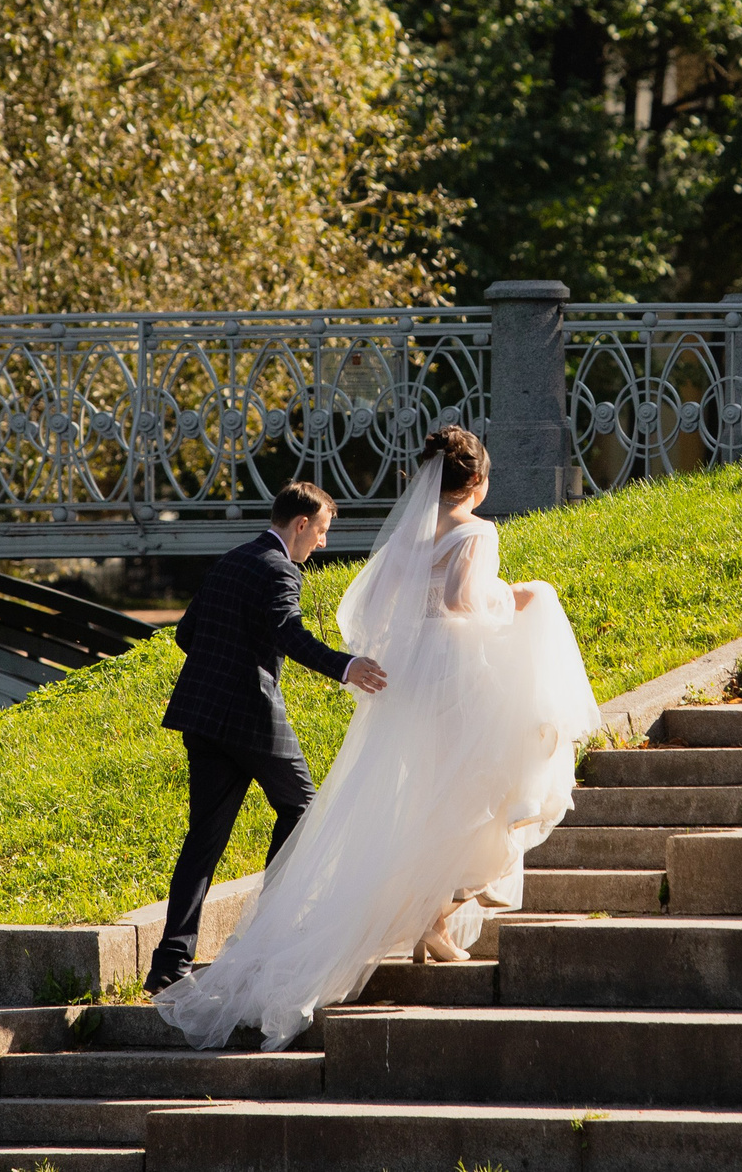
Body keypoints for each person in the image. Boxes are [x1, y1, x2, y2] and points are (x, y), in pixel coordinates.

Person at [153, 426, 602, 1050]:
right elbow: (459, 602)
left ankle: (429, 919)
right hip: (453, 677)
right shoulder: (478, 531)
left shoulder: (398, 541)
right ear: (475, 482)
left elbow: (367, 612)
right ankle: (433, 909)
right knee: (486, 786)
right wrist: (519, 598)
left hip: (401, 684)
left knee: (414, 795)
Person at [144, 480, 388, 993]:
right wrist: (346, 666)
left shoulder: (232, 559)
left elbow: (186, 635)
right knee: (304, 812)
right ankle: (264, 934)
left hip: (202, 717)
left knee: (203, 841)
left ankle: (169, 965)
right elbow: (289, 635)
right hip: (251, 717)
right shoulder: (280, 569)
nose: (322, 543)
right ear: (300, 525)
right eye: (320, 531)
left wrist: (225, 663)